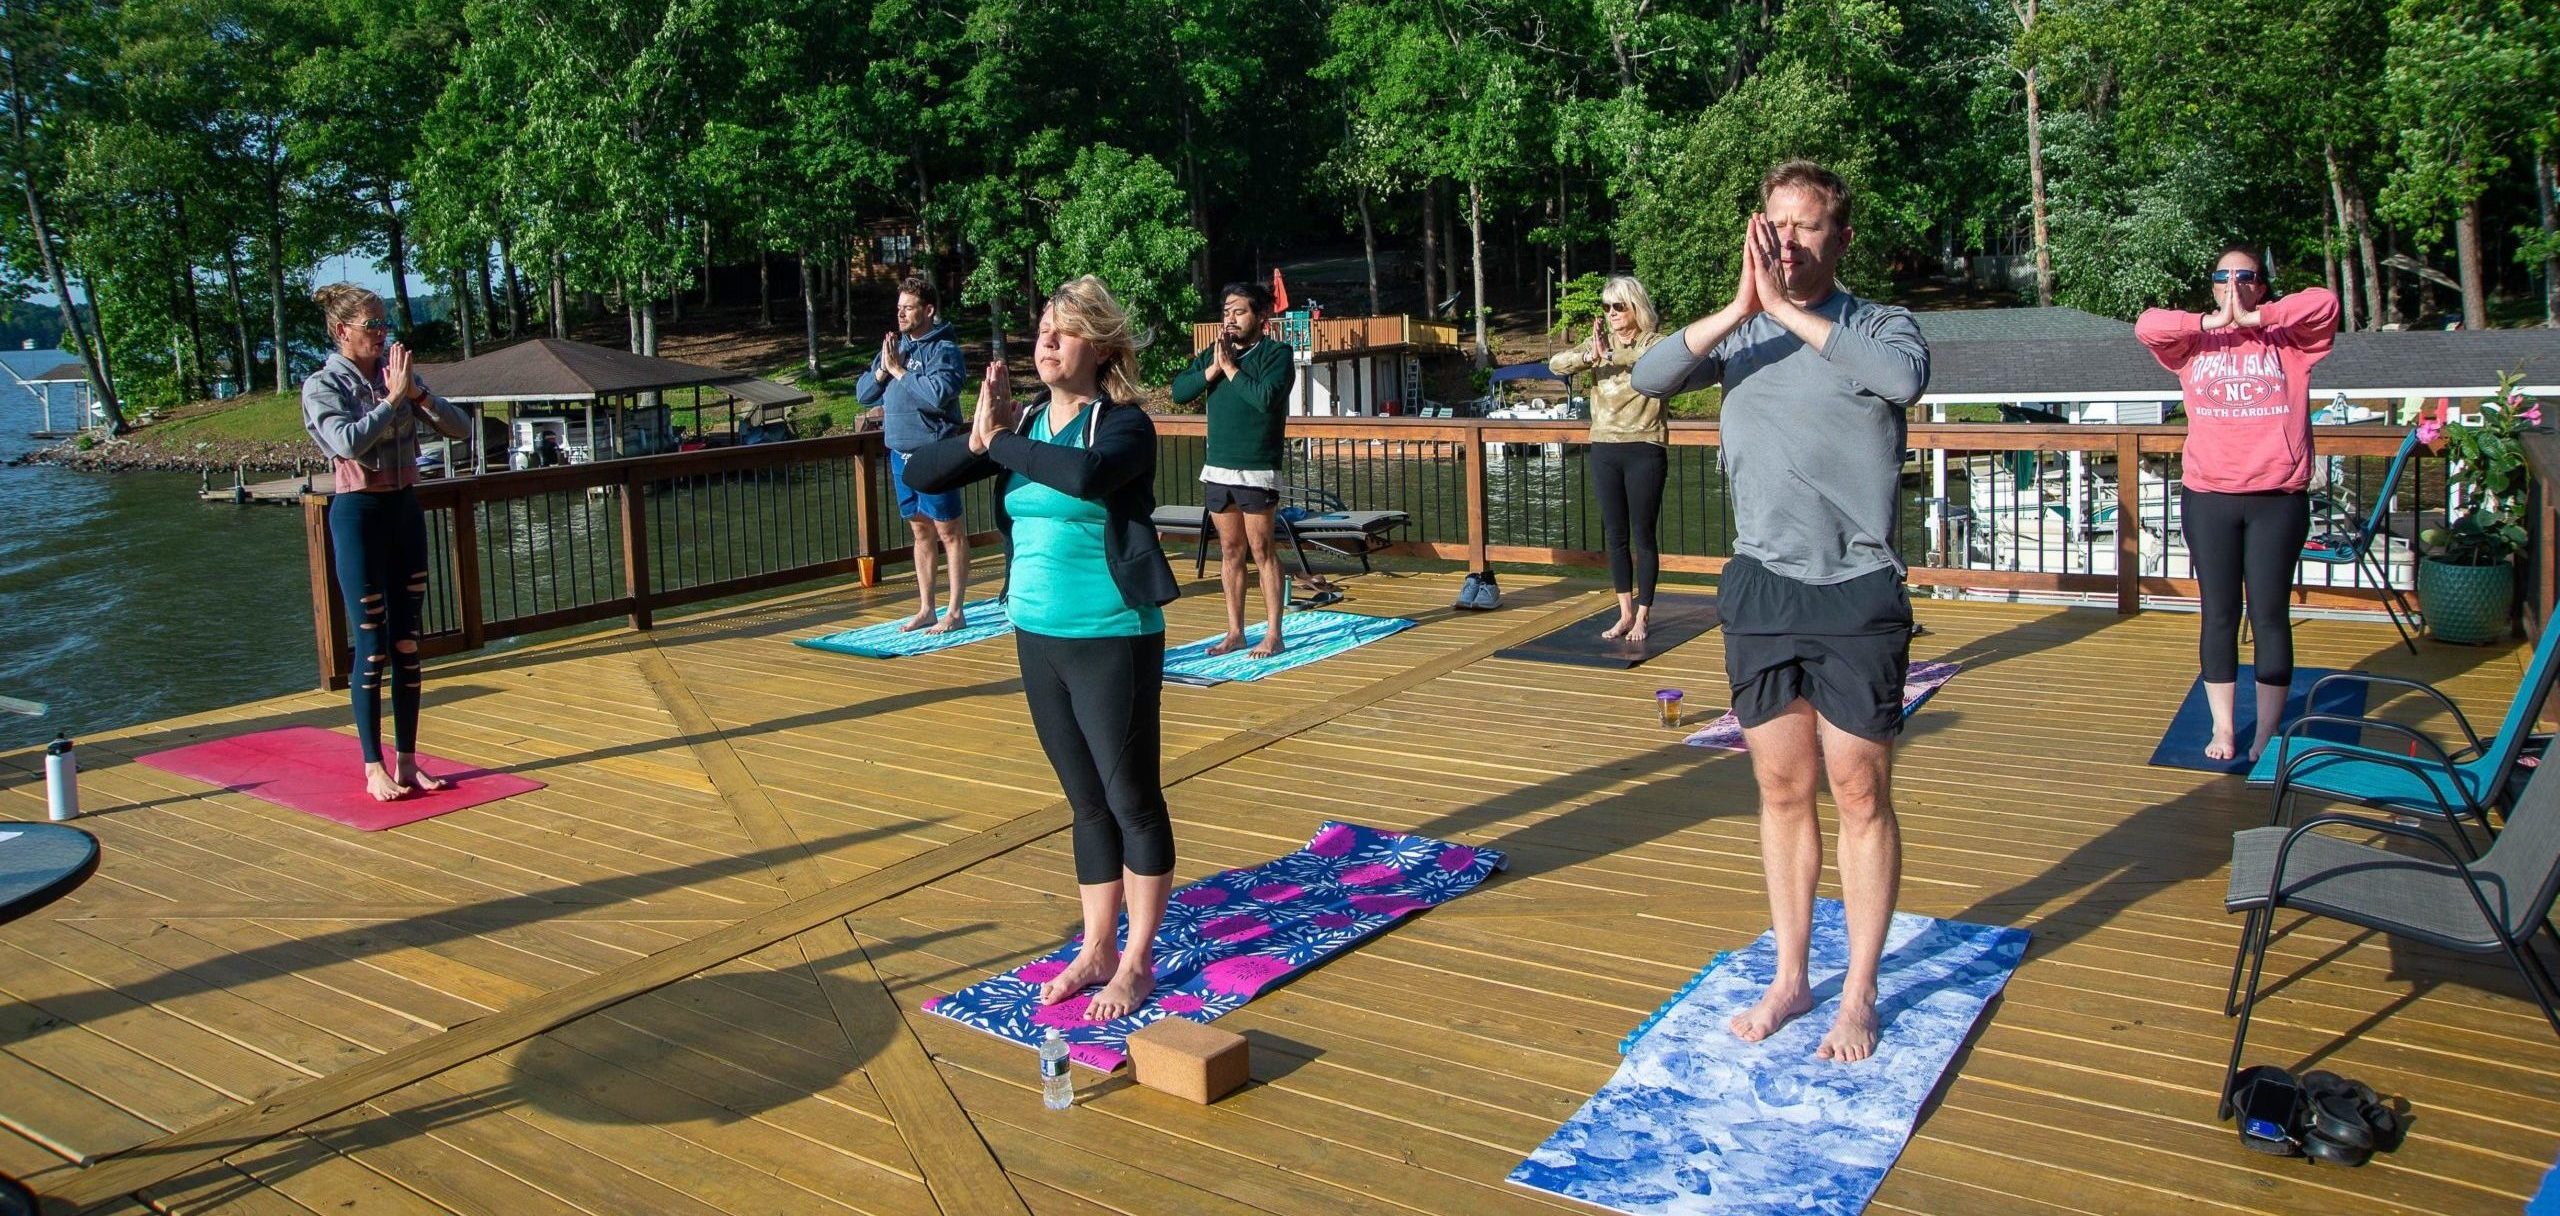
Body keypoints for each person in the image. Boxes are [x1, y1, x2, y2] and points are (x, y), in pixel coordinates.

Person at [1632, 161, 1931, 1063]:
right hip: (1763, 585)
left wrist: (1786, 306)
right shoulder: (1741, 336)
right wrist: (1739, 306)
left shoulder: (1878, 323)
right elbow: (1650, 375)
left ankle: (1859, 992)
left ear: (1839, 239)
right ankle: (1792, 977)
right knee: (1781, 789)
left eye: (1804, 228)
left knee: (1859, 793)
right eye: (1774, 224)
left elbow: (1904, 382)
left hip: (1856, 588)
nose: (1786, 240)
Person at [904, 276, 1181, 1021]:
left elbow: (1086, 478)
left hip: (1111, 636)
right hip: (1034, 633)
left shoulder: (1121, 426)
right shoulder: (1020, 424)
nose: (1047, 341)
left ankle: (1137, 960)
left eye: (1065, 330)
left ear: (1101, 347)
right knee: (1085, 803)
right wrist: (979, 433)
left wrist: (1005, 444)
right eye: (1043, 329)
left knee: (1131, 800)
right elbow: (917, 472)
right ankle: (1095, 948)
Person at [2138, 247, 2339, 763]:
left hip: (2277, 498)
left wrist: (2256, 317)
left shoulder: (2289, 343)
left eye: (2245, 276)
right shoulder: (2192, 343)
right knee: (2219, 614)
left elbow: (2325, 303)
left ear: (2262, 284)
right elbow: (2146, 325)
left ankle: (2268, 731)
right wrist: (2211, 321)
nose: (2232, 283)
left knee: (2270, 615)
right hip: (2210, 498)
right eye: (2222, 275)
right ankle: (2225, 729)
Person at [300, 283, 473, 803]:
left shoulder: (397, 378)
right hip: (360, 515)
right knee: (372, 646)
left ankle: (408, 761)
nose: (381, 334)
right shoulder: (322, 385)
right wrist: (393, 399)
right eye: (371, 325)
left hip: (404, 511)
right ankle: (372, 765)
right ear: (342, 331)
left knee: (407, 643)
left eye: (384, 324)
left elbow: (462, 429)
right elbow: (348, 441)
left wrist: (416, 394)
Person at [1171, 281, 1296, 657]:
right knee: (1229, 549)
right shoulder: (1214, 354)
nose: (1231, 319)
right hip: (1217, 468)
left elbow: (1265, 400)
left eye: (1239, 311)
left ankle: (1274, 633)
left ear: (1261, 317)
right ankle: (1235, 631)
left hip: (1256, 468)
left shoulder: (1277, 354)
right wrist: (1213, 368)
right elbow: (1179, 392)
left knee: (1262, 549)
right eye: (1226, 312)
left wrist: (1229, 368)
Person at [1548, 276, 1668, 640]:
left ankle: (1645, 614)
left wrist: (1611, 355)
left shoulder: (1654, 342)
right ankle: (1625, 612)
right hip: (1603, 446)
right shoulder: (1598, 344)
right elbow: (1556, 363)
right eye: (1606, 307)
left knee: (1642, 534)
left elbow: (1651, 360)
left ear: (1636, 308)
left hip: (1645, 445)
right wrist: (1591, 355)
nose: (1612, 313)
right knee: (1615, 536)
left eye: (1618, 306)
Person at [857, 275, 971, 633]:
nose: (901, 314)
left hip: (934, 452)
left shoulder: (945, 351)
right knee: (920, 531)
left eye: (908, 307)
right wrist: (882, 369)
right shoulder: (894, 348)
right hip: (899, 453)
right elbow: (863, 394)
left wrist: (899, 372)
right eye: (899, 308)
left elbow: (938, 394)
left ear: (929, 310)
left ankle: (955, 611)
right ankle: (927, 608)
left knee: (948, 530)